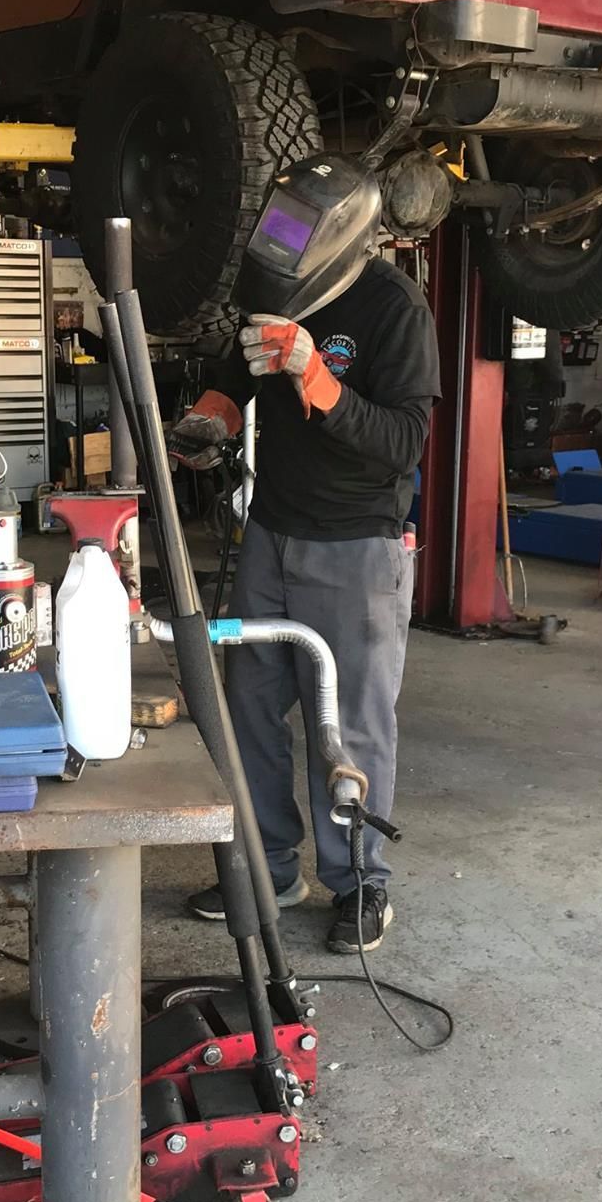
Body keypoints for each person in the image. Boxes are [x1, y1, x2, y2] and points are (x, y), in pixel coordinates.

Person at [169, 185, 440, 954]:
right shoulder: (275, 289)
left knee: (350, 722)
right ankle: (270, 870)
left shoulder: (395, 309)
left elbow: (404, 441)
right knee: (250, 707)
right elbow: (235, 374)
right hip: (271, 536)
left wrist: (313, 375)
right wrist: (209, 420)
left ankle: (360, 883)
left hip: (357, 548)